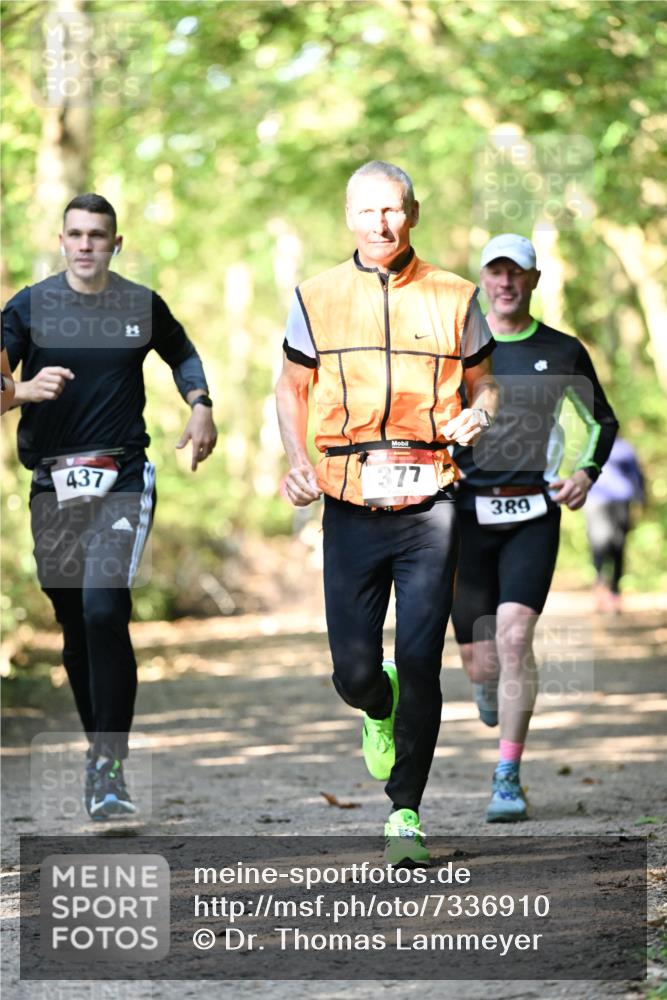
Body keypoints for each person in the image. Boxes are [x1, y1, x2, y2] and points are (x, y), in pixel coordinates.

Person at [275, 161, 498, 863]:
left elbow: (486, 386)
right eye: (368, 211)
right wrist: (295, 459)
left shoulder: (455, 295)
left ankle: (405, 811)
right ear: (349, 217)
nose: (380, 223)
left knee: (421, 658)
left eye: (393, 210)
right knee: (353, 669)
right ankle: (376, 704)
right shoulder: (314, 296)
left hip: (431, 496)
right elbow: (289, 388)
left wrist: (478, 416)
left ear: (413, 213)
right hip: (347, 498)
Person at [2, 194, 217, 819]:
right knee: (74, 619)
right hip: (52, 482)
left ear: (115, 244)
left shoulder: (139, 304)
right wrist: (20, 391)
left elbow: (182, 352)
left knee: (103, 606)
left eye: (99, 235)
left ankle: (108, 765)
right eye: (76, 234)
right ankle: (100, 749)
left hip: (122, 475)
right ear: (62, 240)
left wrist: (199, 403)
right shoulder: (29, 307)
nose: (87, 244)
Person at [451, 233, 618, 823]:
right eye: (495, 273)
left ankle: (507, 775)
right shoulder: (458, 345)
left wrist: (585, 473)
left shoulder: (562, 349)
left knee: (516, 637)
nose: (505, 283)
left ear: (533, 280)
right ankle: (485, 682)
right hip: (465, 518)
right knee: (482, 661)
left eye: (515, 273)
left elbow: (601, 420)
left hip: (532, 513)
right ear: (482, 280)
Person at [585, 437, 644, 613]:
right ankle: (601, 588)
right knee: (598, 545)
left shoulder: (625, 448)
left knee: (618, 547)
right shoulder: (591, 446)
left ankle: (615, 592)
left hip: (620, 501)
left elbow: (636, 474)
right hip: (596, 502)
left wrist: (640, 499)